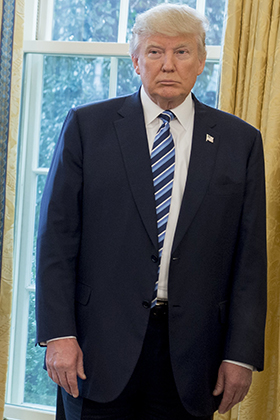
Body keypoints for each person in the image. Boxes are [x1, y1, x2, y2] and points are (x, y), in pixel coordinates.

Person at [35, 4, 266, 419]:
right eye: (155, 52)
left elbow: (249, 260)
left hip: (194, 358)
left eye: (182, 52)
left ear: (201, 62)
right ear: (136, 61)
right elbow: (56, 240)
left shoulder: (240, 142)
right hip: (95, 350)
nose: (168, 65)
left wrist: (240, 355)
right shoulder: (87, 127)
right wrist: (58, 334)